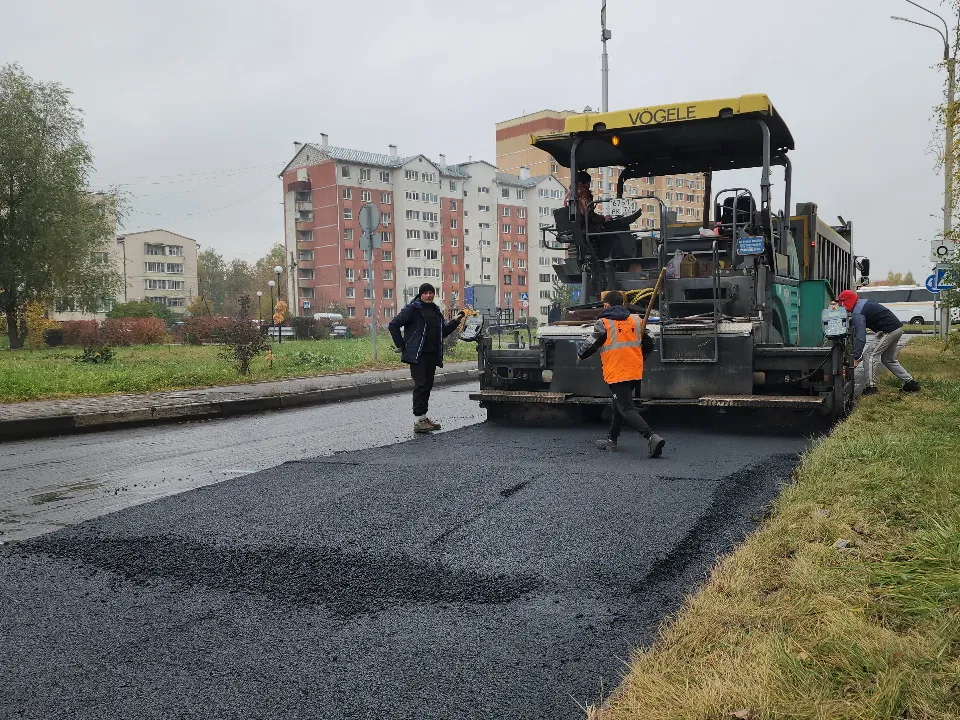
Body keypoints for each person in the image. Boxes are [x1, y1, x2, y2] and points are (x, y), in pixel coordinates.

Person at [577, 290, 665, 456]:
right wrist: (641, 356)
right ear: (623, 304)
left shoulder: (604, 323)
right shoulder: (636, 320)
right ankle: (612, 440)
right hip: (634, 370)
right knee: (617, 403)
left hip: (618, 371)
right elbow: (650, 340)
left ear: (606, 305)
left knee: (626, 408)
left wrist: (580, 354)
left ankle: (651, 437)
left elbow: (592, 342)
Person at [389, 283, 465, 433]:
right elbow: (393, 325)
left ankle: (423, 418)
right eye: (426, 293)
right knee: (421, 385)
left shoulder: (435, 310)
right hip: (417, 355)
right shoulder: (412, 309)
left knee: (427, 386)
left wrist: (456, 321)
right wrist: (401, 345)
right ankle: (419, 421)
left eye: (431, 293)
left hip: (432, 354)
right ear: (420, 294)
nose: (429, 295)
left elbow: (443, 332)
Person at [837, 289, 920, 395]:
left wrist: (855, 357)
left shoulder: (857, 312)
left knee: (869, 355)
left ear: (846, 302)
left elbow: (861, 337)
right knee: (888, 359)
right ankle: (910, 382)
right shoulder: (862, 303)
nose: (842, 308)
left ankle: (871, 387)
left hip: (888, 330)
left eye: (841, 304)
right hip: (896, 329)